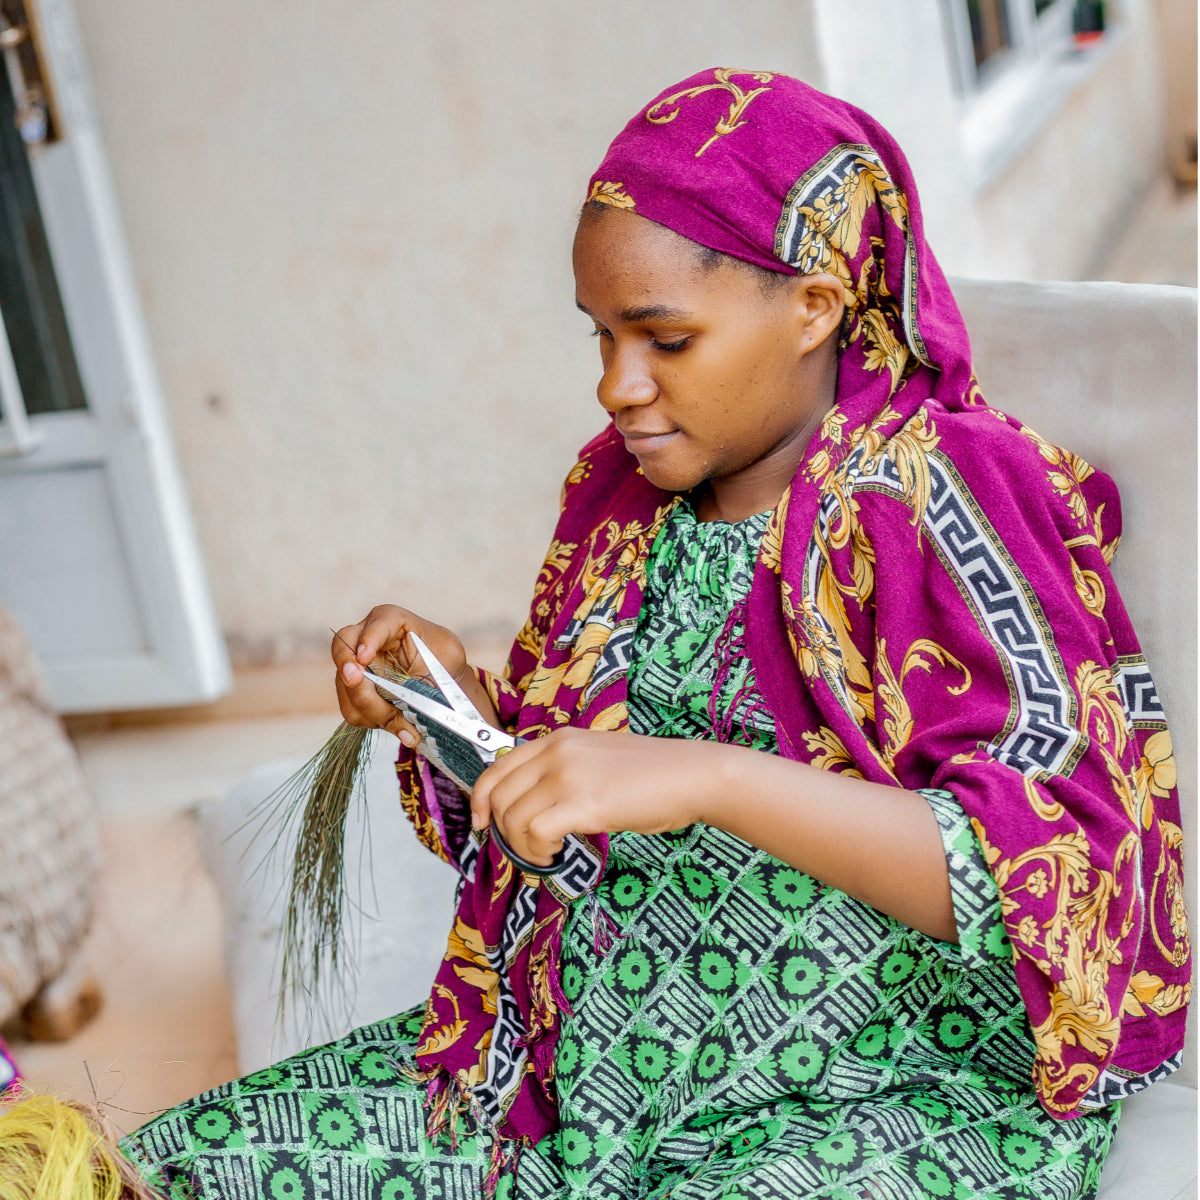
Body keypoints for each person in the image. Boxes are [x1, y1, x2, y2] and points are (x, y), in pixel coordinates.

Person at [2, 68, 1189, 1200]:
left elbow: (1060, 877)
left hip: (887, 1090)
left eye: (663, 340)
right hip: (580, 1065)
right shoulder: (625, 509)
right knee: (176, 1161)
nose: (617, 386)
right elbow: (554, 821)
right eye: (600, 336)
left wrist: (715, 779)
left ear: (816, 306)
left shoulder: (941, 497)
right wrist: (450, 710)